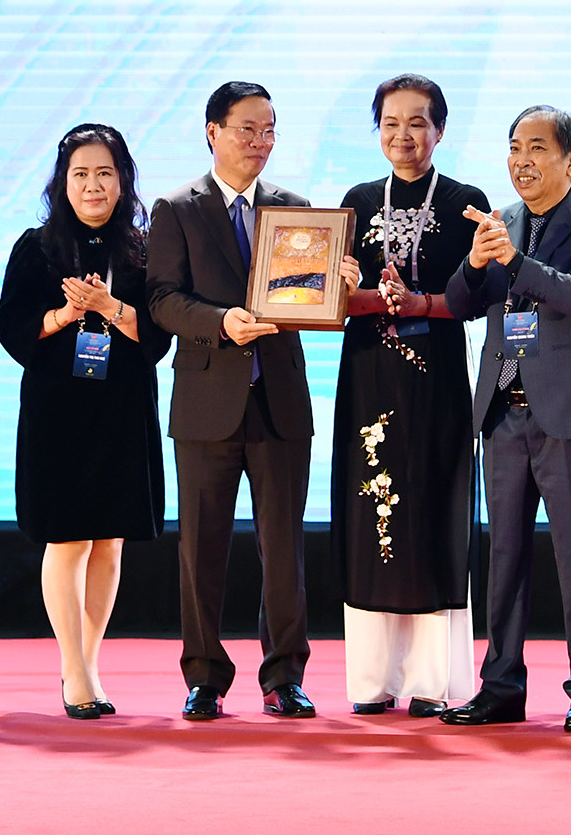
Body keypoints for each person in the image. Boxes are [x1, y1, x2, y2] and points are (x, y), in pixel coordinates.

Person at [146, 81, 360, 721]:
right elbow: (161, 299)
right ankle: (204, 677)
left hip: (279, 400)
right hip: (206, 401)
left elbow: (307, 302)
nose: (260, 142)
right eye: (247, 129)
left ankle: (285, 677)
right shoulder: (175, 208)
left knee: (284, 549)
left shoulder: (295, 209)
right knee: (200, 549)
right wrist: (220, 322)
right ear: (212, 131)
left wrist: (339, 284)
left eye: (269, 130)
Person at [442, 107, 571, 734]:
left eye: (537, 148)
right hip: (504, 411)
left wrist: (515, 262)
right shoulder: (502, 220)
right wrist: (476, 261)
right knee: (504, 559)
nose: (521, 160)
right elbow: (462, 304)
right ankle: (500, 687)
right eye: (514, 146)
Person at [0, 123, 170, 719]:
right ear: (61, 183)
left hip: (123, 405)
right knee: (68, 538)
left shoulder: (145, 248)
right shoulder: (36, 247)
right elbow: (12, 329)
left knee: (110, 541)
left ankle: (88, 665)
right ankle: (74, 669)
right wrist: (63, 316)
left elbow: (160, 336)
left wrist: (110, 307)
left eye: (104, 173)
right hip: (58, 410)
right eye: (80, 174)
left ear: (123, 182)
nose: (93, 185)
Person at [334, 76, 491, 717]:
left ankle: (432, 681)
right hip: (368, 377)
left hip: (437, 380)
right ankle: (374, 682)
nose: (403, 135)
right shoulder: (355, 201)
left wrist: (420, 300)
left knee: (432, 511)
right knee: (373, 512)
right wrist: (347, 289)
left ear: (440, 130)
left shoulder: (466, 202)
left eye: (418, 122)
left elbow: (476, 297)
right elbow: (329, 301)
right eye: (391, 122)